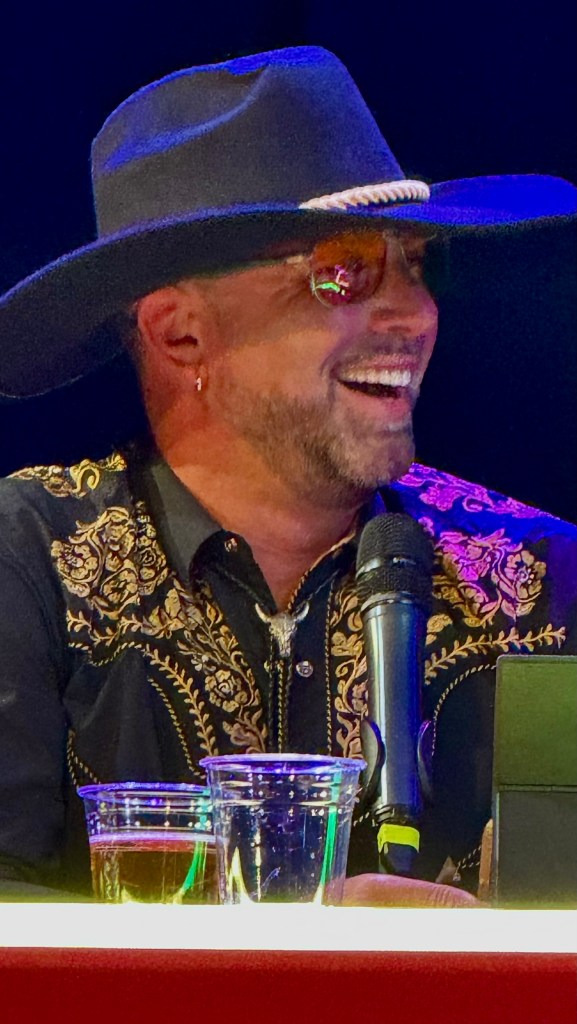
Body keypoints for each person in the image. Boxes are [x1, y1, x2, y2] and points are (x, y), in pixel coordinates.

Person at [0, 46, 574, 906]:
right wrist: (294, 939)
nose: (415, 314)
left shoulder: (540, 576)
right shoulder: (29, 557)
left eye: (415, 264)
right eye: (343, 272)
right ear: (181, 334)